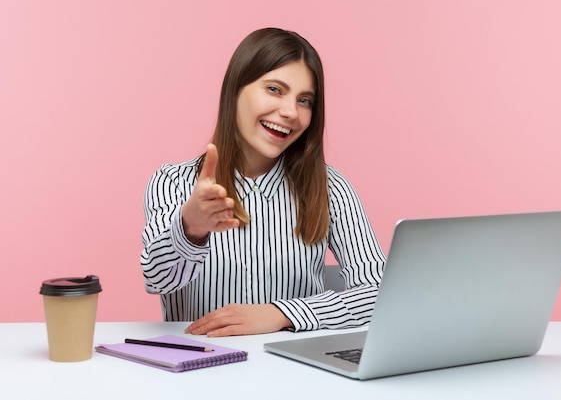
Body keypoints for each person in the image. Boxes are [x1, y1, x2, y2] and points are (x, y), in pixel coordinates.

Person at [140, 28, 386, 337]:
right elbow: (157, 279)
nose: (289, 112)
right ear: (236, 90)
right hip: (201, 372)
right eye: (274, 89)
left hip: (296, 373)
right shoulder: (173, 182)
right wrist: (192, 228)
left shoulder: (330, 188)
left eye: (305, 100)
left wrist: (283, 313)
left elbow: (380, 291)